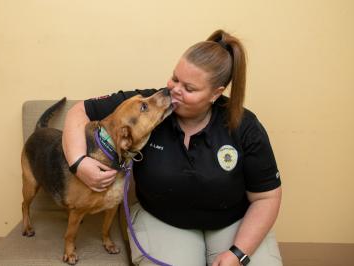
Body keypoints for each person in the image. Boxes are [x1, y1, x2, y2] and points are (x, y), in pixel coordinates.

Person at [62, 29, 282, 266]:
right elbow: (79, 111)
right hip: (163, 220)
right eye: (174, 78)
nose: (173, 91)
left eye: (189, 89)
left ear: (215, 94)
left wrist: (238, 253)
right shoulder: (146, 105)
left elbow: (266, 198)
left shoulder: (245, 126)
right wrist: (78, 162)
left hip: (232, 222)